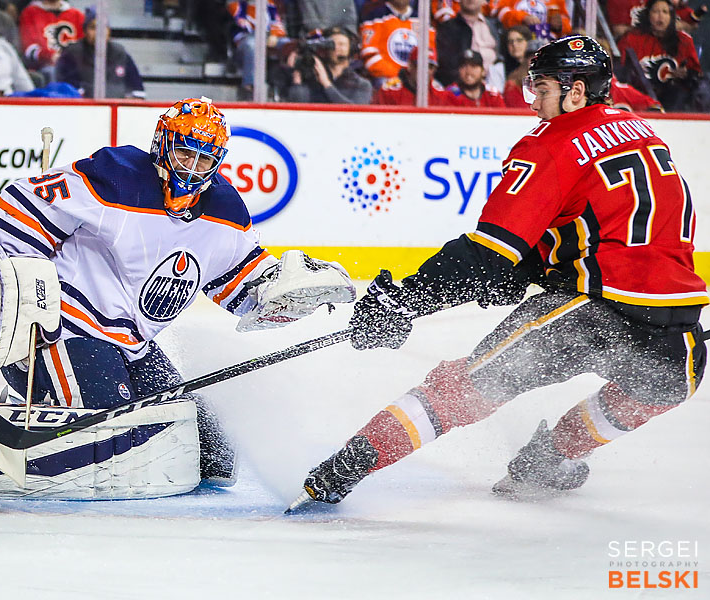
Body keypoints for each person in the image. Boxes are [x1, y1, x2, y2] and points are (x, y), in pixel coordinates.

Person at [289, 35, 707, 511]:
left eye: (543, 87)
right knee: (673, 380)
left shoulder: (551, 145)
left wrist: (403, 300)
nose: (533, 100)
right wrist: (528, 267)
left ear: (576, 91)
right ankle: (548, 459)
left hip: (590, 312)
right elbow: (613, 225)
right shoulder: (641, 129)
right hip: (673, 316)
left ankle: (346, 467)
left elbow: (486, 253)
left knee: (472, 386)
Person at [0, 97, 356, 502]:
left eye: (204, 160)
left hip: (133, 345)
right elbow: (19, 204)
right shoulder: (117, 177)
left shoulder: (226, 212)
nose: (190, 170)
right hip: (67, 331)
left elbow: (240, 290)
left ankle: (42, 403)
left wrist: (289, 301)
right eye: (183, 153)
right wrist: (32, 291)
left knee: (210, 453)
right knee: (118, 435)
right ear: (162, 144)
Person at [617, 0, 704, 112]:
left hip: (673, 100)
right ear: (648, 15)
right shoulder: (631, 38)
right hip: (639, 96)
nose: (660, 16)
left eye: (665, 12)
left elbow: (696, 76)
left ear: (672, 16)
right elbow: (620, 73)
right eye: (656, 11)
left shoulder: (684, 41)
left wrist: (685, 74)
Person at [55, 7, 143, 99]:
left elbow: (137, 92)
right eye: (93, 27)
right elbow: (67, 91)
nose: (99, 32)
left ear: (109, 31)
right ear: (85, 31)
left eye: (103, 27)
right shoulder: (72, 53)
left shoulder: (120, 53)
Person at [286, 26, 372, 104]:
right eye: (332, 44)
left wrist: (326, 84)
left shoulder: (361, 84)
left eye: (342, 44)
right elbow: (298, 107)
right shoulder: (313, 78)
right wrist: (296, 79)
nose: (337, 48)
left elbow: (354, 112)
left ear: (351, 49)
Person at [227, 0, 287, 100]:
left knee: (287, 43)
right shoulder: (238, 4)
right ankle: (249, 87)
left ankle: (288, 86)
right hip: (246, 39)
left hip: (267, 38)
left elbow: (277, 22)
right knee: (252, 45)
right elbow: (242, 22)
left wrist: (274, 34)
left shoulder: (270, 4)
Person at [435, 0, 502, 89]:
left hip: (495, 83)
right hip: (464, 86)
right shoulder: (447, 28)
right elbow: (447, 65)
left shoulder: (495, 26)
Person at [18, 0, 84, 79]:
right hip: (44, 67)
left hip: (74, 65)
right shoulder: (30, 13)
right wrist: (50, 56)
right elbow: (30, 48)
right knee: (53, 72)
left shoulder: (77, 15)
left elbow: (84, 44)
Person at [374, 44, 452, 106]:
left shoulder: (440, 94)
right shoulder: (389, 91)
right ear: (410, 66)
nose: (426, 71)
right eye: (421, 65)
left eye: (430, 67)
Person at [359, 0, 416, 80]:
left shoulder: (421, 19)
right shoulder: (374, 16)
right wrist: (399, 77)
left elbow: (429, 57)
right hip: (386, 77)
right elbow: (369, 56)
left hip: (415, 81)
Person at [492, 0, 571, 39]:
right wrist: (522, 18)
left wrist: (560, 26)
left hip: (547, 44)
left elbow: (567, 23)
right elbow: (497, 11)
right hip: (518, 43)